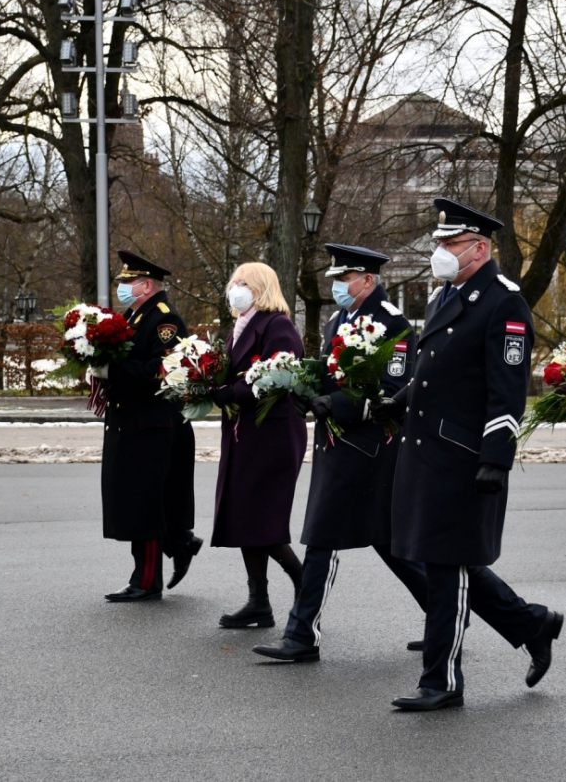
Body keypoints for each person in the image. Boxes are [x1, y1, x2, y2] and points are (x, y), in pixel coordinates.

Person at [382, 199, 563, 712]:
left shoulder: (504, 302)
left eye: (450, 244)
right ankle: (532, 622)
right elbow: (429, 371)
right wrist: (393, 403)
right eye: (440, 243)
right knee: (445, 559)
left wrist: (495, 457)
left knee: (447, 569)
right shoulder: (445, 296)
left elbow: (507, 392)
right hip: (425, 451)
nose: (440, 252)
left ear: (479, 248)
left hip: (464, 457)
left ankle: (441, 682)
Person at [252, 244, 427, 663]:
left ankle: (301, 636)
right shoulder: (339, 319)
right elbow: (331, 375)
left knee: (322, 538)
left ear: (367, 280)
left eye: (343, 278)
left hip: (369, 448)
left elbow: (391, 391)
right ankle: (445, 610)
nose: (337, 287)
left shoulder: (393, 325)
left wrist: (340, 405)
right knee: (386, 542)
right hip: (336, 445)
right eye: (334, 278)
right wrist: (306, 394)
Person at [98, 251, 201, 603]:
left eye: (128, 282)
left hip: (152, 426)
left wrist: (114, 371)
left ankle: (146, 580)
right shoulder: (133, 316)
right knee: (133, 500)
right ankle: (180, 542)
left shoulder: (162, 320)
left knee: (146, 504)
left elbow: (166, 370)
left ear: (147, 284)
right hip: (131, 423)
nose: (123, 287)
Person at [207, 262, 306, 629]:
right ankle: (258, 602)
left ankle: (306, 586)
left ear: (261, 286)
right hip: (246, 434)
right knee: (246, 518)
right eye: (234, 281)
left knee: (264, 521)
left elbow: (279, 378)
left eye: (243, 282)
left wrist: (226, 393)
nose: (236, 287)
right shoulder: (242, 325)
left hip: (272, 437)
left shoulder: (277, 325)